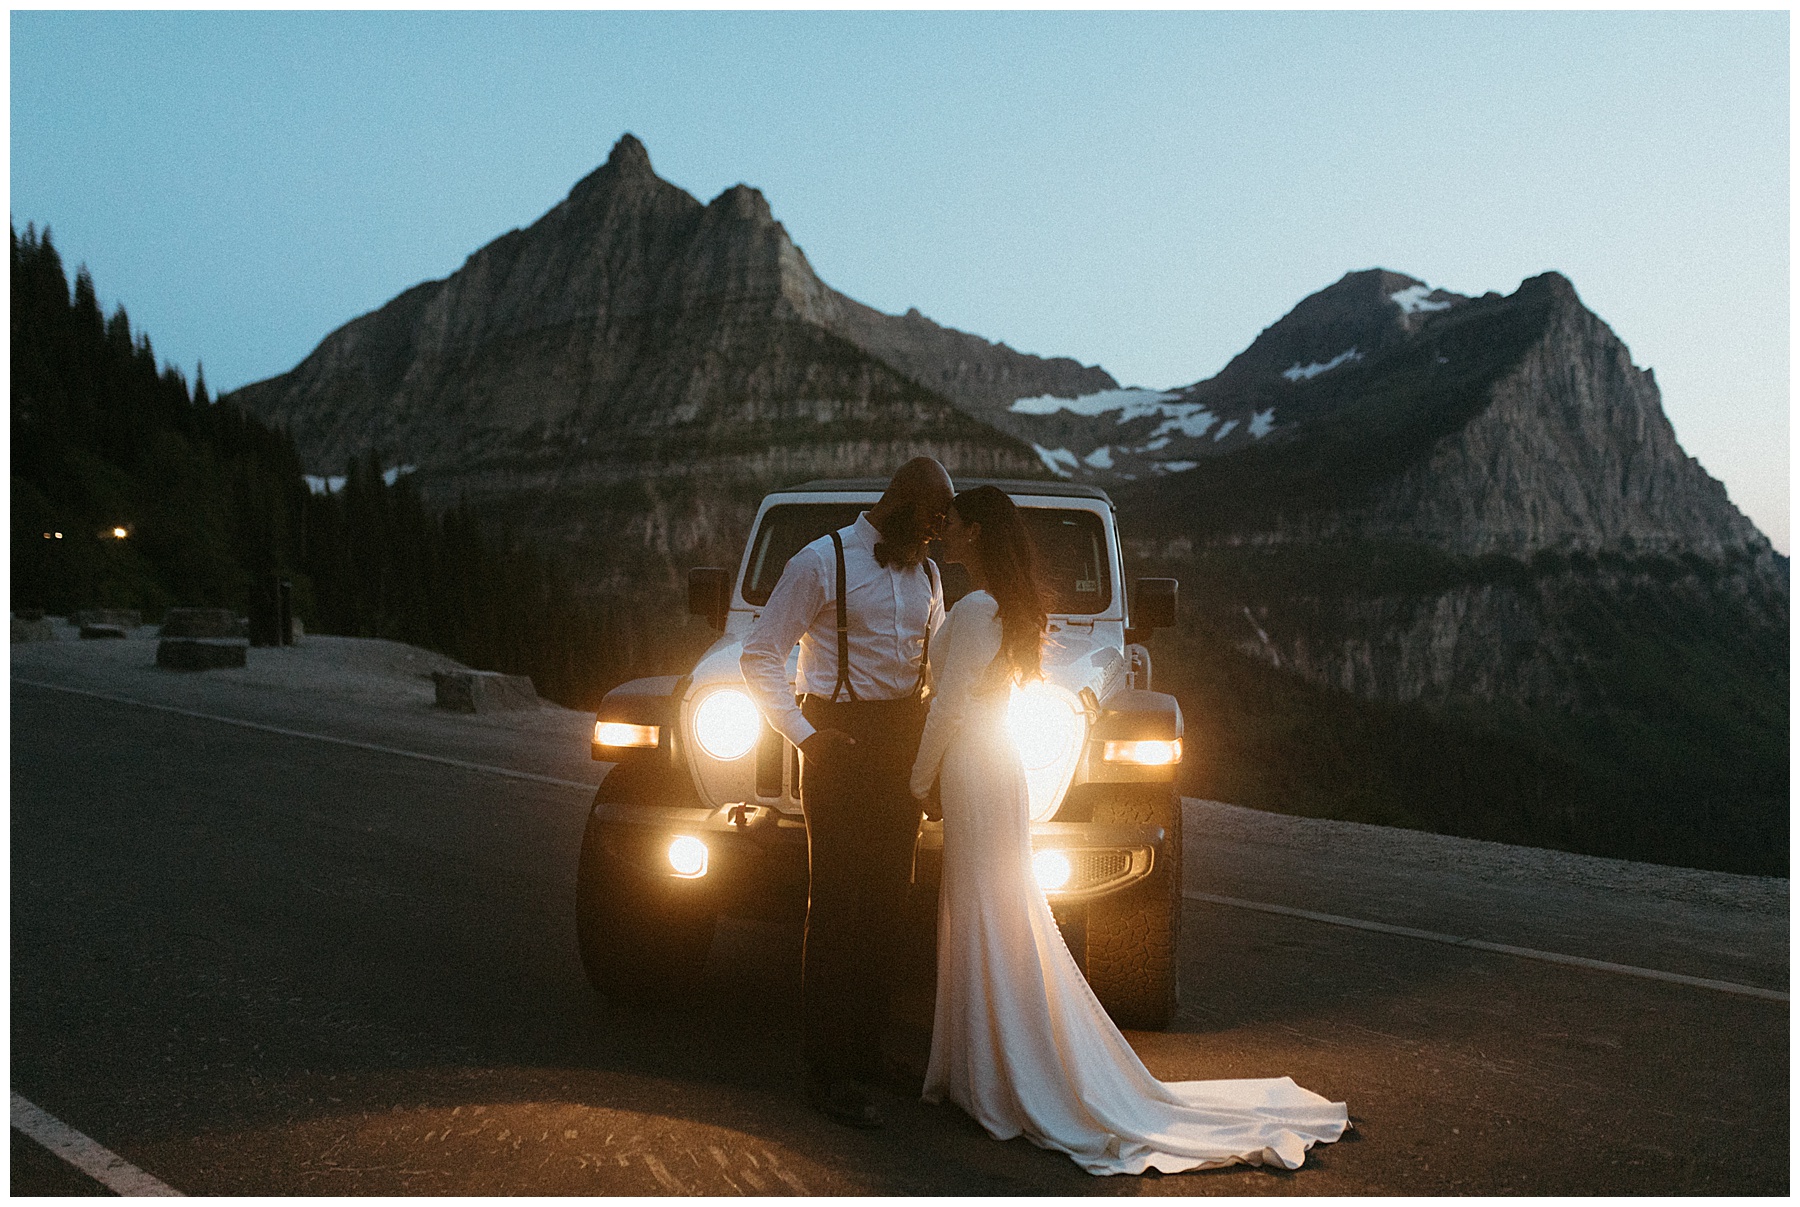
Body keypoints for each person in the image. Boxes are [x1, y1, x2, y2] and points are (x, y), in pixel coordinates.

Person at [910, 485, 1349, 1175]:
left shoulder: (971, 610)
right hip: (1003, 771)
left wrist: (915, 782)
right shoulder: (1017, 607)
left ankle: (989, 1072)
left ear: (976, 533)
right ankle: (989, 1063)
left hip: (970, 767)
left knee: (977, 908)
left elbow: (948, 709)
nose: (946, 533)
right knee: (1000, 908)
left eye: (955, 524)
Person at [740, 457, 954, 1129]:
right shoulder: (819, 560)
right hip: (836, 742)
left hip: (902, 746)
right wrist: (805, 735)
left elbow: (939, 663)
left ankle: (867, 1052)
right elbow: (759, 652)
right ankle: (825, 1071)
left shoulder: (928, 572)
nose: (940, 535)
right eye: (933, 519)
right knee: (836, 906)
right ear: (904, 505)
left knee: (889, 902)